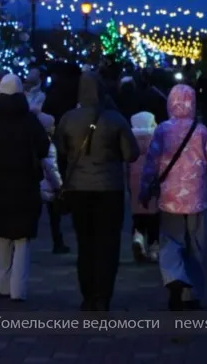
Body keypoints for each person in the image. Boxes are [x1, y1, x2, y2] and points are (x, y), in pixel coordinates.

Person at [54, 73, 139, 311]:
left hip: (79, 188)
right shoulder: (115, 118)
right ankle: (103, 294)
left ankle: (88, 294)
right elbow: (130, 153)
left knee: (85, 243)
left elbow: (60, 149)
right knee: (108, 244)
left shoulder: (69, 118)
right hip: (109, 188)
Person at [141, 84, 207, 311]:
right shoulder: (201, 130)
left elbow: (151, 164)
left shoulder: (163, 130)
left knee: (170, 242)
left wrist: (145, 190)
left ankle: (174, 278)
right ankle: (191, 293)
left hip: (170, 198)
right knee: (195, 244)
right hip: (196, 198)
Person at [0, 74, 50, 302]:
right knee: (22, 238)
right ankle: (18, 287)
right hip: (25, 183)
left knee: (2, 234)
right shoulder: (29, 120)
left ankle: (2, 283)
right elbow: (43, 147)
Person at [126, 112, 159, 263]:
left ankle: (138, 238)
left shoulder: (130, 139)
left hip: (134, 180)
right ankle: (153, 249)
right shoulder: (156, 138)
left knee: (138, 215)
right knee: (153, 218)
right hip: (152, 181)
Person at [37, 111, 67, 253]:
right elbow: (52, 168)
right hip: (48, 186)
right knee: (54, 216)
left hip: (38, 183)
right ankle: (58, 242)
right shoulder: (49, 145)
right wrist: (60, 185)